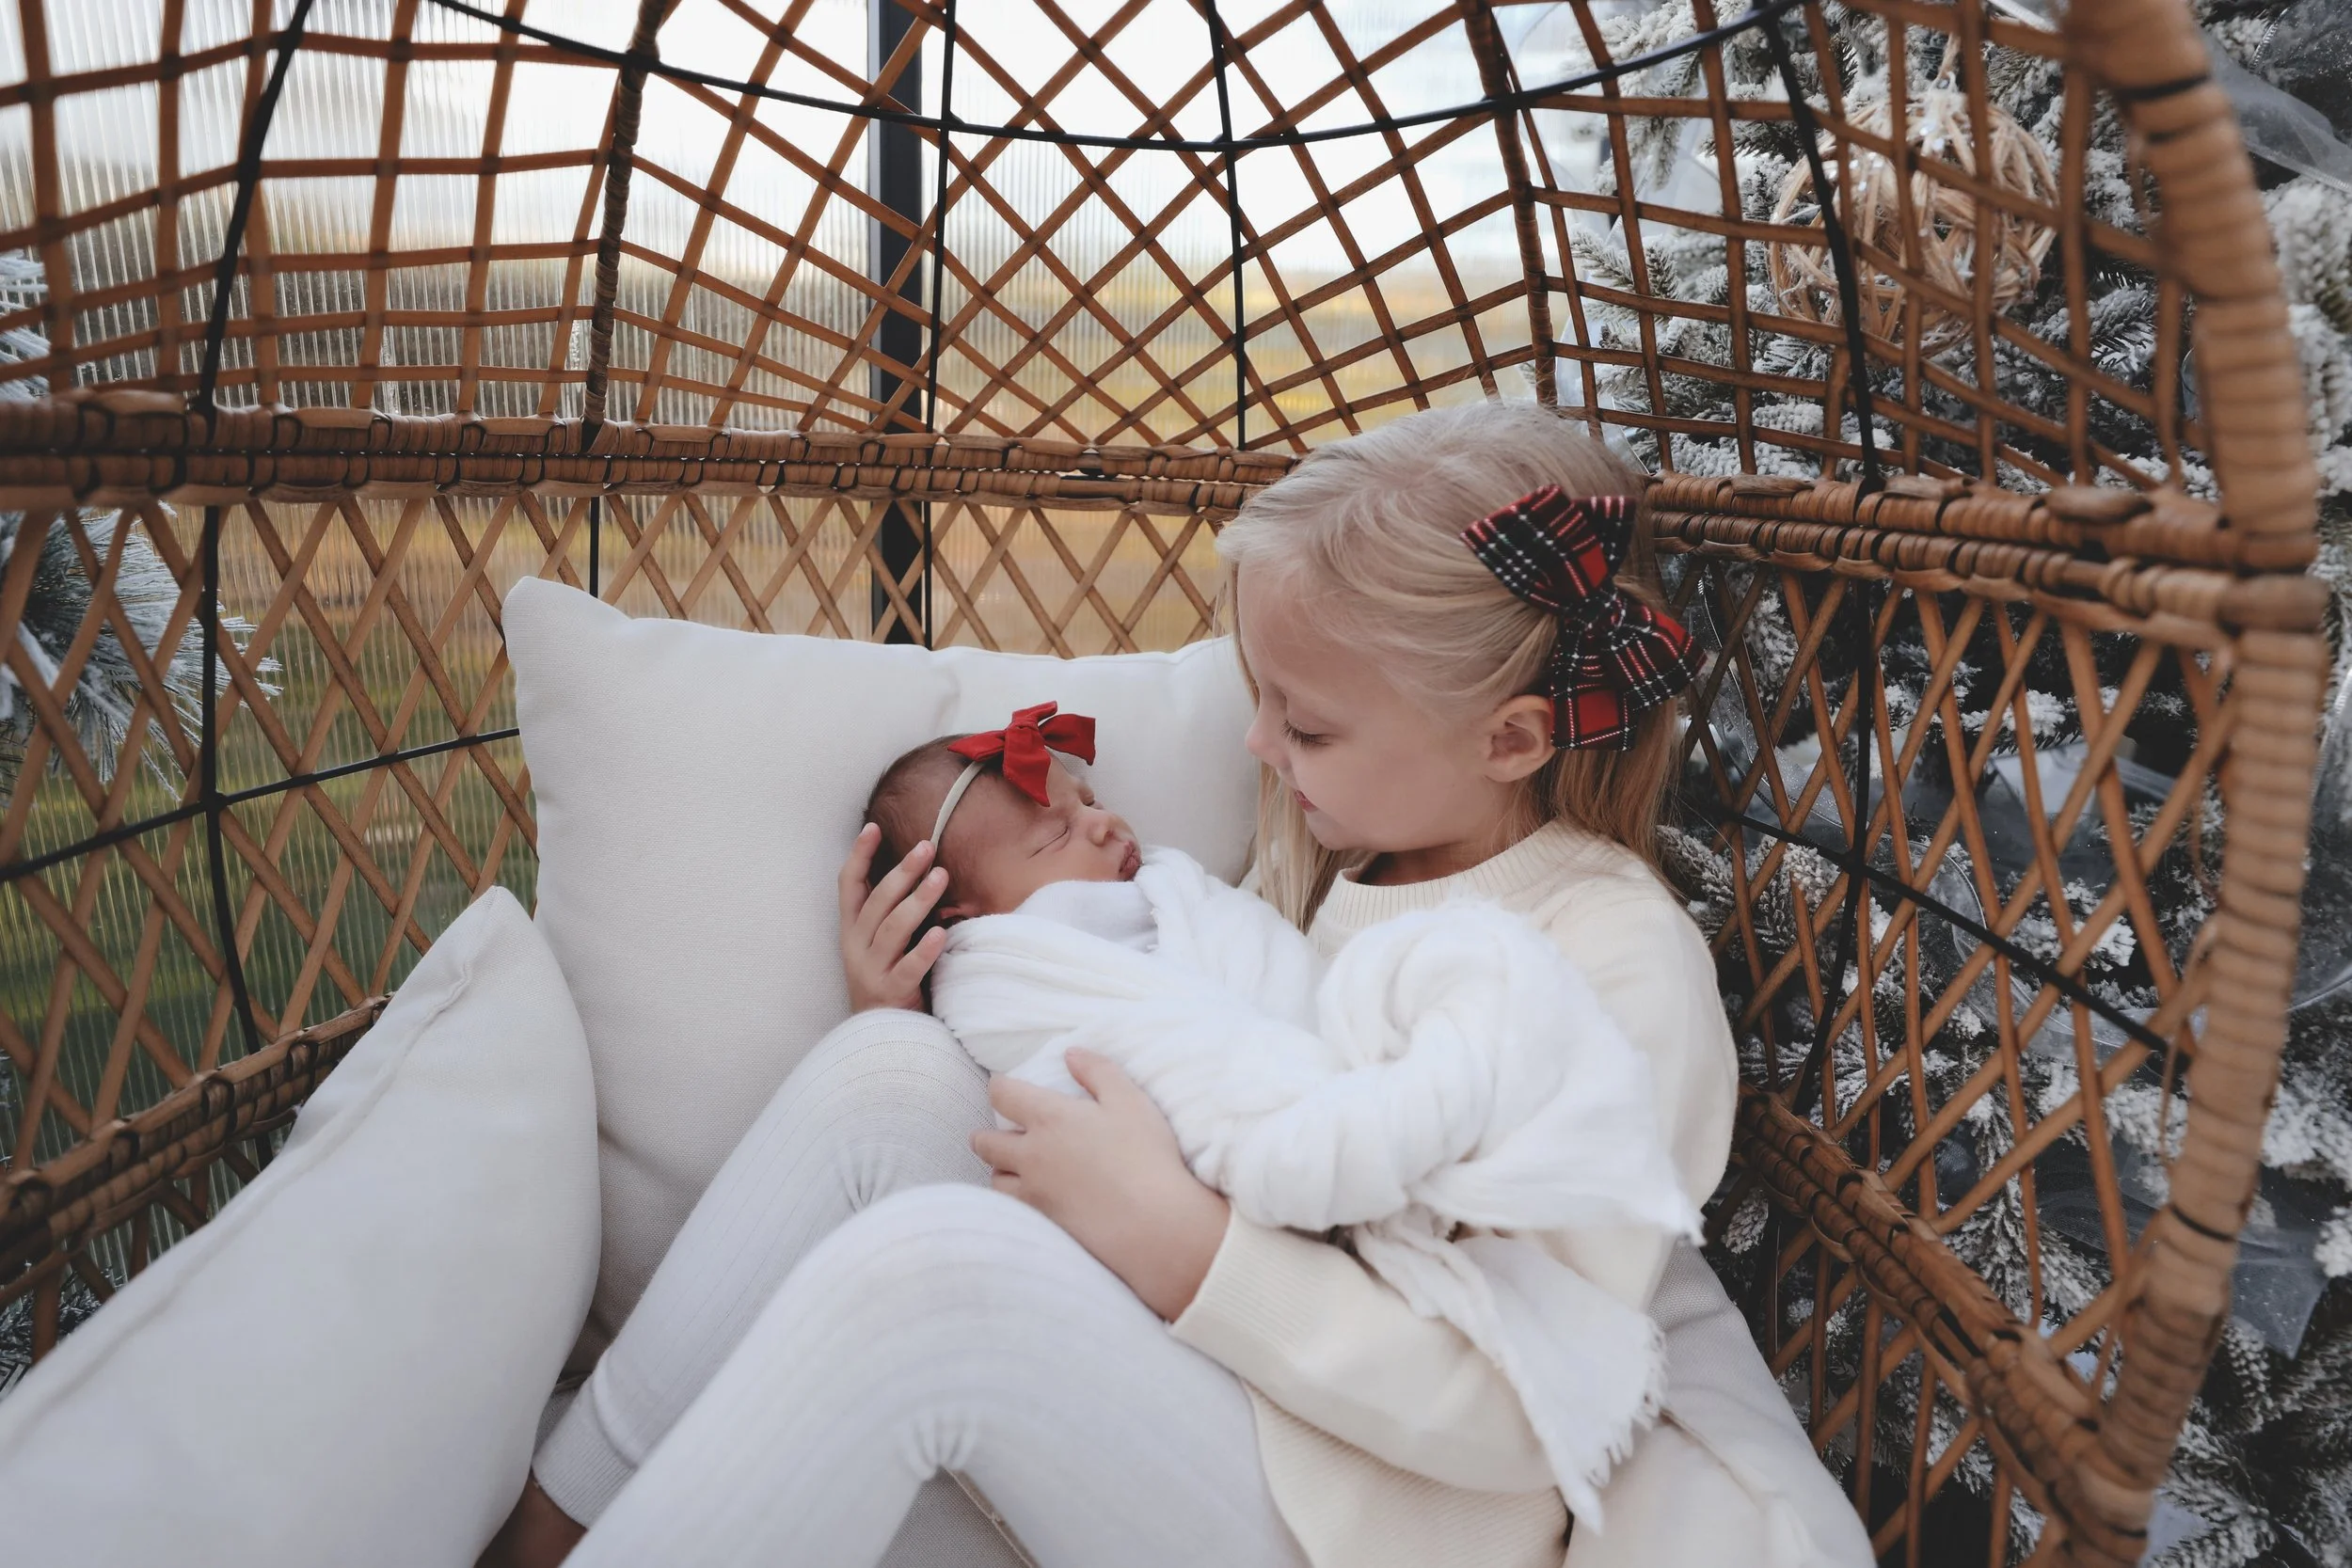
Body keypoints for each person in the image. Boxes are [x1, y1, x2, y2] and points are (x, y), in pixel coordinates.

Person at [484, 400, 1867, 1568]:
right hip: (1259, 1405)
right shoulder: (1347, 871)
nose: (1255, 740)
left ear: (1508, 736)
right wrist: (930, 1005)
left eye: (1305, 719)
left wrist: (1180, 1239)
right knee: (880, 1077)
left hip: (1408, 1519)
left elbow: (1523, 1405)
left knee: (936, 1284)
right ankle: (542, 1529)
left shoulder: (1607, 962)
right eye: (1260, 693)